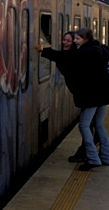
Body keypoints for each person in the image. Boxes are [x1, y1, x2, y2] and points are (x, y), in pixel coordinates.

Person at [37, 27, 109, 170]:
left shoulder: (85, 52)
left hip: (92, 96)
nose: (75, 42)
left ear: (86, 39)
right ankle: (106, 156)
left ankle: (92, 159)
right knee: (98, 124)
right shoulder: (100, 49)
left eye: (77, 39)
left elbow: (64, 57)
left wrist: (43, 50)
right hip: (104, 94)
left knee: (84, 125)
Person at [37, 31, 93, 162]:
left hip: (89, 95)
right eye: (64, 40)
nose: (65, 42)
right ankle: (94, 153)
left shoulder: (75, 55)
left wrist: (43, 50)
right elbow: (62, 56)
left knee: (86, 125)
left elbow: (61, 57)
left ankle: (89, 155)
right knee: (93, 125)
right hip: (89, 95)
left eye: (69, 40)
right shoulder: (76, 54)